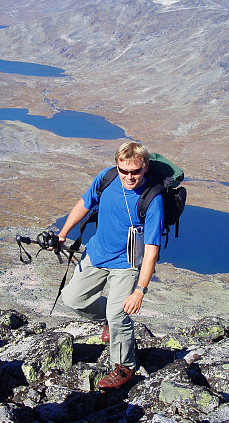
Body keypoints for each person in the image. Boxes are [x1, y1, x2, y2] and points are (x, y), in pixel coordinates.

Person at [58, 141, 164, 390]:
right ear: (117, 166)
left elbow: (151, 252)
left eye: (135, 171)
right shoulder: (106, 178)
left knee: (119, 314)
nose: (129, 176)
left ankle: (125, 367)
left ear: (145, 168)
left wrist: (140, 290)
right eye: (123, 170)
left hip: (126, 263)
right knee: (72, 299)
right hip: (96, 254)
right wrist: (63, 233)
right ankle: (109, 319)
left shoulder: (153, 200)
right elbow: (84, 203)